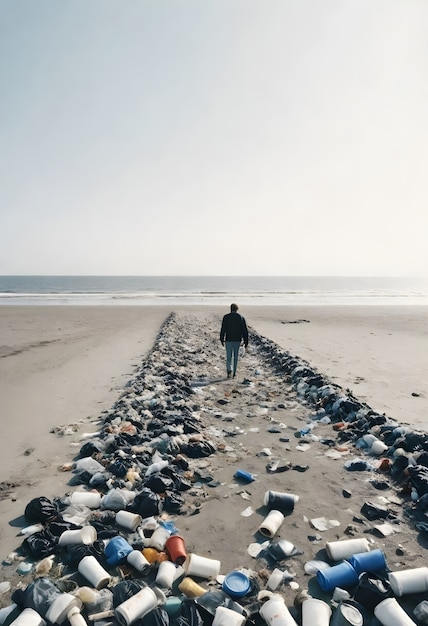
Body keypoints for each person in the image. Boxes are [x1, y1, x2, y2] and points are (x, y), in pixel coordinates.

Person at [220, 303, 249, 378]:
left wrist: (221, 338)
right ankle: (234, 373)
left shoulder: (226, 317)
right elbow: (244, 331)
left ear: (231, 309)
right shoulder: (241, 317)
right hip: (237, 340)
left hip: (228, 339)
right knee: (236, 357)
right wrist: (246, 342)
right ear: (237, 309)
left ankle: (229, 370)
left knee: (229, 356)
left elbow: (223, 329)